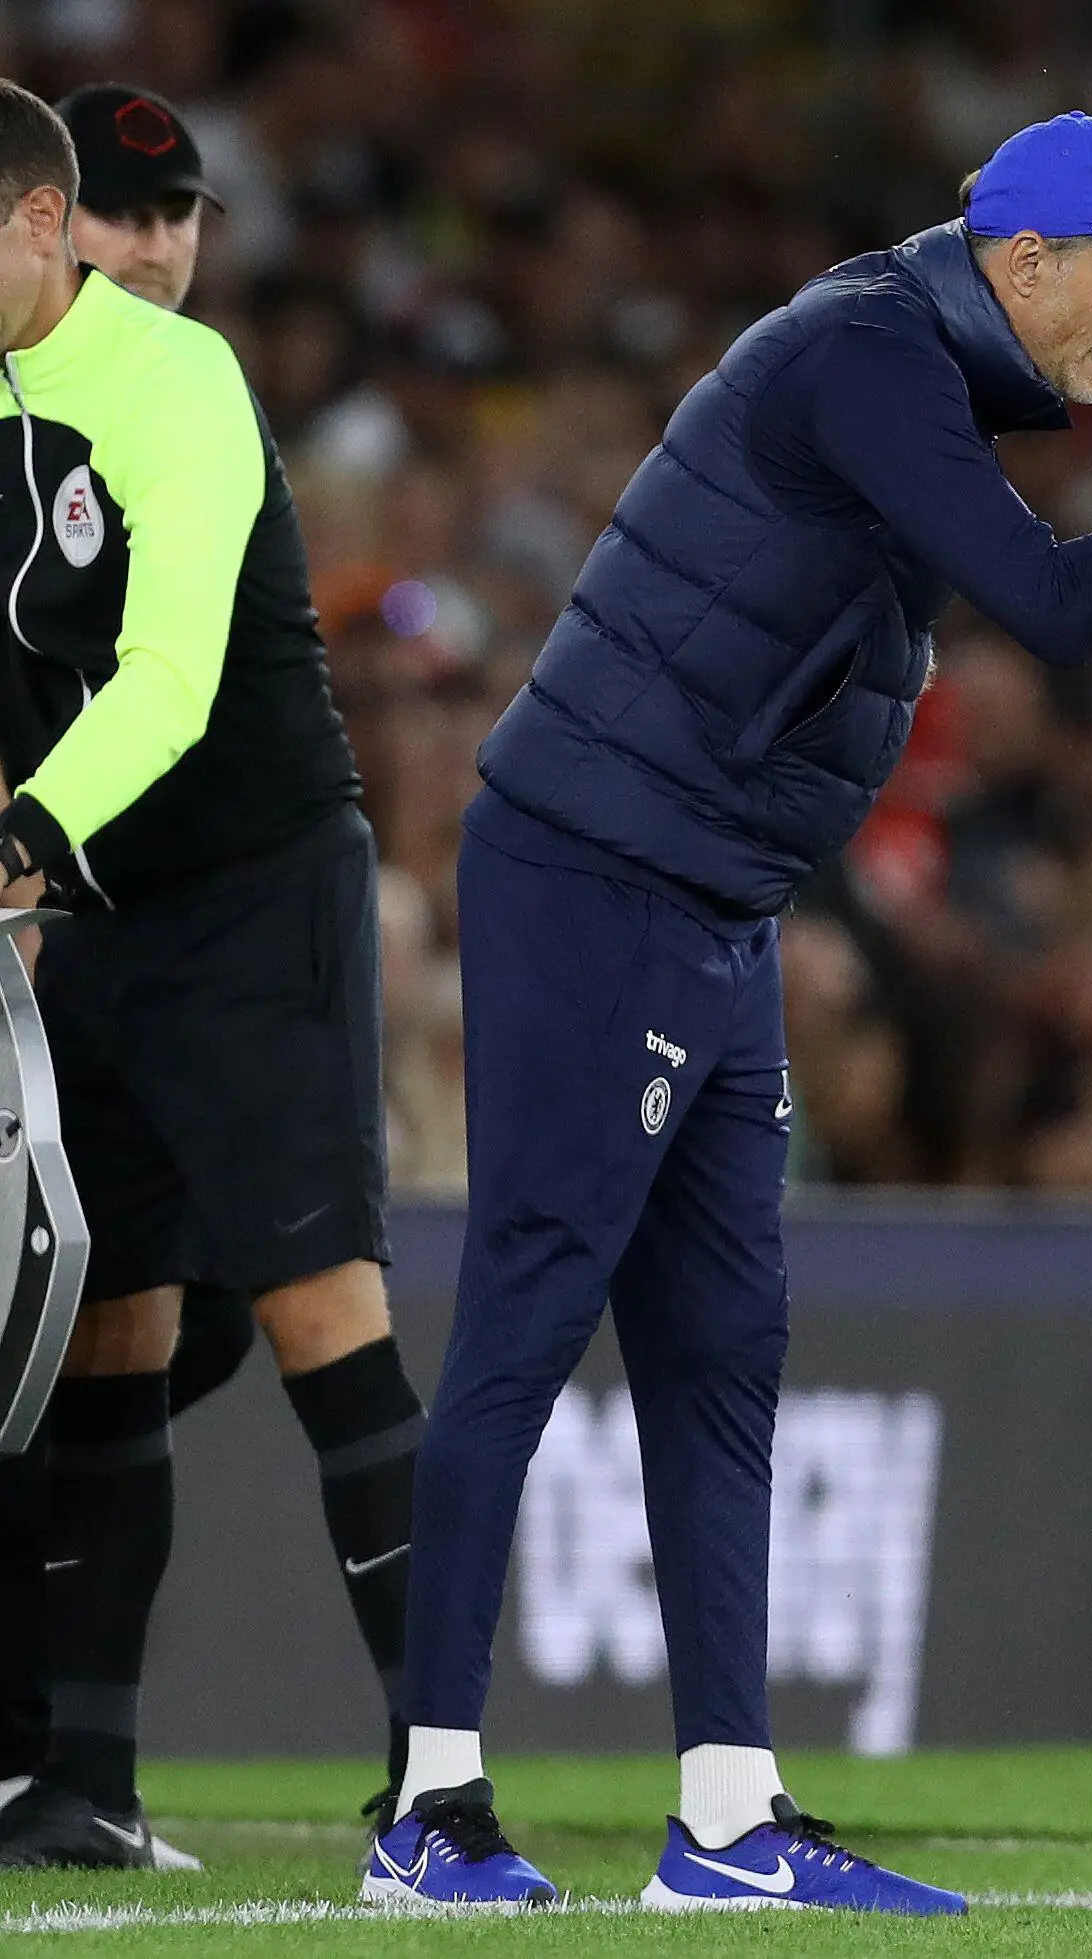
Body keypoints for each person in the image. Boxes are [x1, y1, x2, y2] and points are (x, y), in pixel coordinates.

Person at [372, 111, 1092, 1915]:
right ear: (1020, 258)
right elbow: (1057, 605)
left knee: (724, 1353)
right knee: (531, 1305)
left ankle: (727, 1814)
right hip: (598, 873)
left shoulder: (908, 357)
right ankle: (428, 1804)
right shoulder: (865, 351)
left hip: (715, 901)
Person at [0, 81, 414, 1870]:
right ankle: (82, 1780)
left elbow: (163, 678)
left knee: (324, 1312)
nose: (160, 246)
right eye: (133, 212)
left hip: (246, 893)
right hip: (83, 910)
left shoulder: (177, 386)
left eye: (183, 218)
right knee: (107, 1330)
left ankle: (443, 1767)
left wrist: (22, 823)